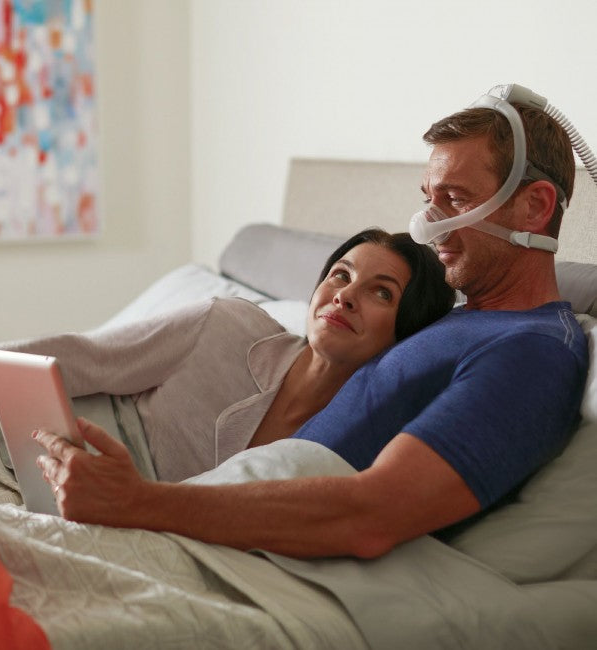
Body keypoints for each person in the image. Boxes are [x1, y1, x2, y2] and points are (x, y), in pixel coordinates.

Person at [34, 98, 588, 560]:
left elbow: (372, 514)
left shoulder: (532, 352)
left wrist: (139, 503)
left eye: (456, 199)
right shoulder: (460, 319)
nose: (427, 226)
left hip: (251, 555)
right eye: (428, 200)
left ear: (535, 208)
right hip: (216, 516)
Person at [0, 228, 454, 486]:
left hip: (87, 503)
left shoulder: (355, 442)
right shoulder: (225, 326)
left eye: (381, 293)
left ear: (407, 333)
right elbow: (81, 357)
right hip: (12, 428)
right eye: (340, 275)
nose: (344, 295)